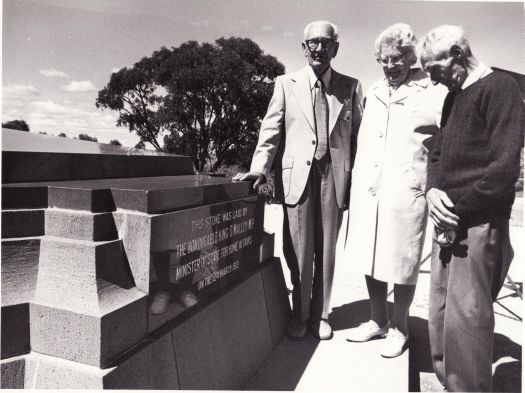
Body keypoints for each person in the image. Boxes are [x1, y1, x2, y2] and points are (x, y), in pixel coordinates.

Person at [233, 20, 362, 340]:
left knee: (326, 251)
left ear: (336, 48)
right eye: (313, 42)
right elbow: (271, 132)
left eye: (326, 42)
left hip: (334, 177)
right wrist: (259, 168)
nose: (319, 48)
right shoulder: (284, 84)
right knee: (299, 250)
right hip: (297, 179)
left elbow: (359, 137)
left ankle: (321, 314)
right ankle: (299, 314)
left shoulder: (351, 86)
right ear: (304, 48)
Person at [417, 25, 524, 391]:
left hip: (477, 224)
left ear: (457, 56)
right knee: (441, 316)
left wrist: (457, 211)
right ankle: (450, 384)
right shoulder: (453, 96)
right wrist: (432, 192)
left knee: (468, 323)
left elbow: (504, 169)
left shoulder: (501, 88)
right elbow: (437, 152)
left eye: (435, 70)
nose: (432, 80)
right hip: (448, 220)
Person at [344, 23, 446, 358]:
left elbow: (442, 142)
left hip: (407, 188)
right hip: (369, 189)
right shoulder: (371, 91)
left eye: (398, 58)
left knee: (402, 259)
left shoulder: (431, 89)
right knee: (370, 255)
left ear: (410, 56)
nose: (390, 66)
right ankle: (377, 320)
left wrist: (433, 183)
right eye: (384, 60)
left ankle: (400, 327)